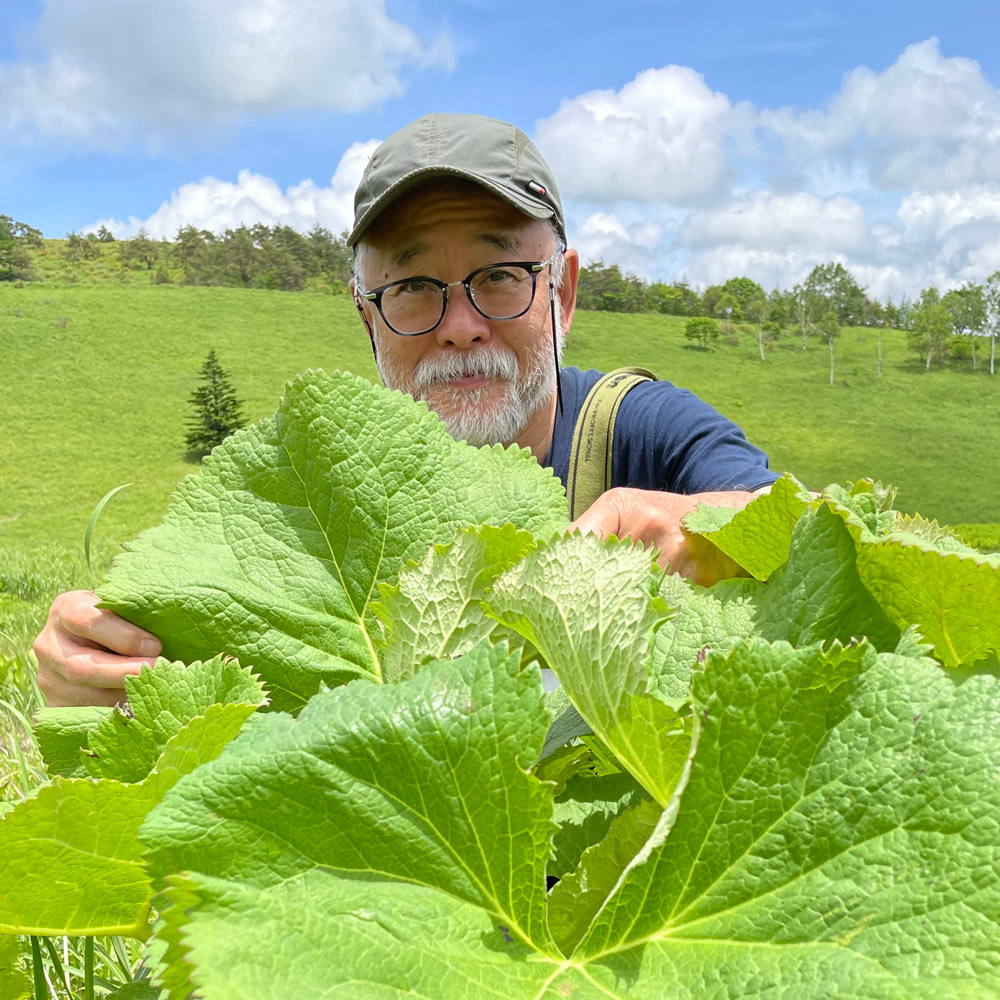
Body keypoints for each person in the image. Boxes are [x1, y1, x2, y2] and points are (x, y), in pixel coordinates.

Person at [34, 113, 779, 707]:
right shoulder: (316, 503)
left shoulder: (639, 431)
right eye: (414, 286)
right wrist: (98, 666)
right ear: (368, 319)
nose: (460, 326)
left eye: (500, 275)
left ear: (564, 292)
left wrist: (701, 527)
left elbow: (814, 530)